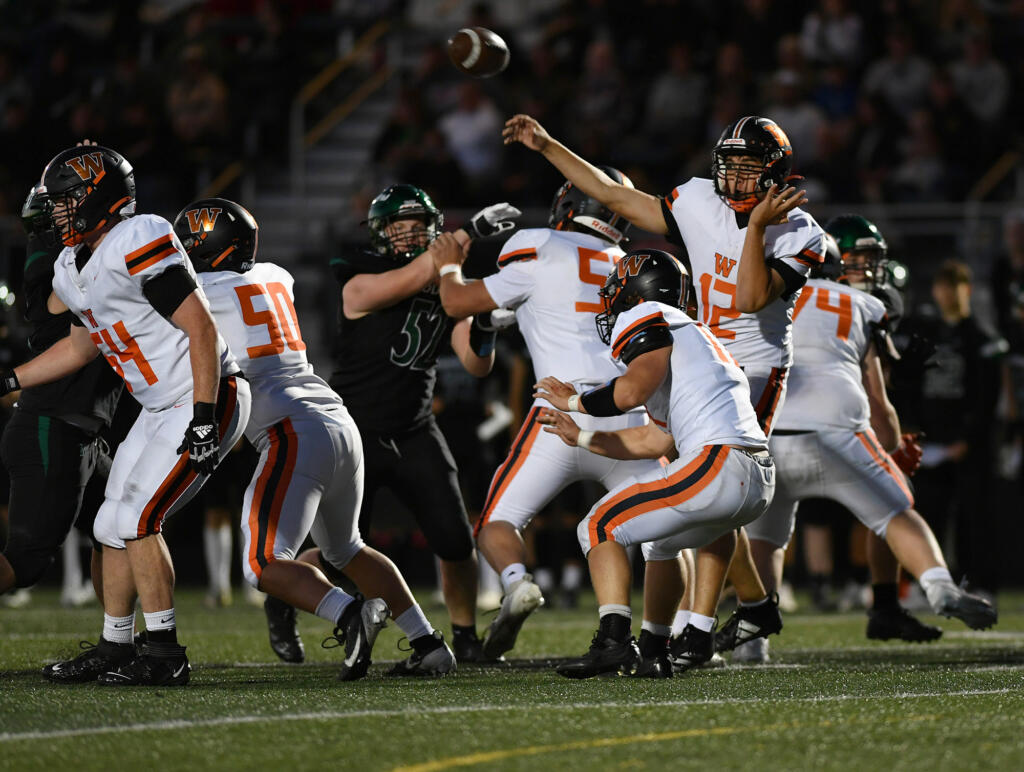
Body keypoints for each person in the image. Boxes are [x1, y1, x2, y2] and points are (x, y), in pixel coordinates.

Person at [503, 112, 824, 662]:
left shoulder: (802, 234)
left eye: (750, 169)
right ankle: (735, 610)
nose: (735, 181)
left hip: (752, 364)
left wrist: (753, 230)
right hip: (692, 346)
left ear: (775, 174)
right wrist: (549, 145)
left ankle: (705, 624)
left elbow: (749, 299)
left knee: (708, 482)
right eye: (731, 167)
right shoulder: (699, 200)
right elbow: (611, 194)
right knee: (686, 485)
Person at [1, 145, 252, 686]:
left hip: (205, 392)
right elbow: (80, 348)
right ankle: (116, 647)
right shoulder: (70, 266)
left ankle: (163, 652)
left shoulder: (137, 236)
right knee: (109, 524)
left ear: (98, 197)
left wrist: (205, 415)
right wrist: (11, 379)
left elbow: (202, 328)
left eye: (67, 200)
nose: (58, 211)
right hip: (160, 404)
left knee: (139, 518)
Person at [176, 197, 455, 679]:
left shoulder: (199, 290)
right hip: (338, 421)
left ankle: (350, 614)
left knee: (263, 562)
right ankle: (429, 643)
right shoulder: (272, 275)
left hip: (291, 429)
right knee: (347, 548)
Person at [433, 169, 683, 674]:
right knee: (664, 538)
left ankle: (517, 583)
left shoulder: (539, 245)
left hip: (559, 410)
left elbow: (457, 303)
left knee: (498, 523)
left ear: (567, 207)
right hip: (628, 413)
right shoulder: (628, 263)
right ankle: (662, 640)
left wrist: (448, 266)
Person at [289, 184, 517, 666]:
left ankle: (464, 633)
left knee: (456, 540)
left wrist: (483, 327)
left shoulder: (444, 277)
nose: (410, 236)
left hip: (415, 429)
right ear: (379, 234)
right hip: (355, 431)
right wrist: (465, 238)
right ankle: (280, 596)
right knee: (340, 551)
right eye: (400, 227)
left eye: (419, 226)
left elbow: (475, 365)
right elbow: (412, 275)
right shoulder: (359, 274)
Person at [536, 249, 778, 679]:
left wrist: (573, 401)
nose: (611, 298)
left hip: (718, 464)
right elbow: (655, 439)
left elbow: (630, 392)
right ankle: (654, 648)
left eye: (616, 288)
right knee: (661, 546)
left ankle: (613, 641)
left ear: (636, 290)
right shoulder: (697, 337)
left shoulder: (647, 313)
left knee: (597, 526)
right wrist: (583, 437)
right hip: (755, 476)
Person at [750, 237, 997, 636]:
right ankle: (940, 588)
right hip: (839, 427)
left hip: (770, 430)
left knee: (763, 537)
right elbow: (879, 399)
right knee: (896, 511)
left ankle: (750, 636)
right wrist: (893, 444)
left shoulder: (759, 295)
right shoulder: (865, 304)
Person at [0, 187, 123, 603]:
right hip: (51, 425)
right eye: (65, 208)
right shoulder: (67, 270)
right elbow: (78, 347)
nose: (76, 214)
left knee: (125, 526)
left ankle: (117, 641)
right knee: (25, 564)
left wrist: (92, 174)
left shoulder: (61, 258)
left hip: (80, 430)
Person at [898, 260, 1007, 600]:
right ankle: (925, 582)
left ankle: (978, 582)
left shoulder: (981, 337)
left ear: (967, 290)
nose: (947, 293)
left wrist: (968, 439)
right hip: (931, 441)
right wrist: (914, 430)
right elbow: (909, 383)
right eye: (942, 286)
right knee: (928, 513)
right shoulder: (927, 334)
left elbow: (987, 396)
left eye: (954, 286)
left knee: (974, 517)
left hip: (968, 443)